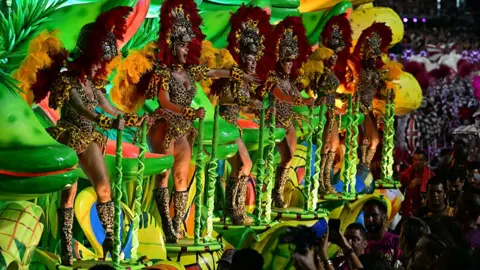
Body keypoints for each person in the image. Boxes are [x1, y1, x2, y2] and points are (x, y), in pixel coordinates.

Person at [113, 0, 260, 243]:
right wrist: (190, 112)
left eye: (186, 45)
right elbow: (165, 102)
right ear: (171, 47)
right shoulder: (162, 73)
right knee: (163, 177)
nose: (185, 50)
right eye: (181, 45)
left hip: (182, 130)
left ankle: (177, 225)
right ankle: (166, 226)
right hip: (164, 128)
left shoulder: (190, 72)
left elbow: (211, 73)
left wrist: (235, 73)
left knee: (181, 179)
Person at [21, 7, 144, 265]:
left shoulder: (93, 83)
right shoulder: (69, 79)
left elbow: (110, 107)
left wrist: (131, 118)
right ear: (90, 53)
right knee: (70, 193)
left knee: (104, 188)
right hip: (71, 137)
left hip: (89, 137)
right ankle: (66, 245)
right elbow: (80, 109)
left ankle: (110, 238)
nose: (103, 63)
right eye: (100, 57)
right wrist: (104, 120)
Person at [211, 5, 271, 225]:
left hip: (234, 124)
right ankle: (233, 210)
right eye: (250, 58)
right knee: (245, 164)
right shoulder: (232, 73)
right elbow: (224, 97)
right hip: (225, 123)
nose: (253, 62)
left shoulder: (246, 80)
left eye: (256, 59)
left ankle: (234, 209)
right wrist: (247, 99)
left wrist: (256, 104)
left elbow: (244, 105)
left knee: (242, 166)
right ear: (242, 57)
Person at [262, 16, 315, 208]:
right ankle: (266, 191)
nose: (290, 64)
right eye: (287, 61)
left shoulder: (290, 82)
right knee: (277, 158)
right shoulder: (273, 79)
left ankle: (277, 193)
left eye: (292, 61)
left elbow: (298, 96)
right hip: (274, 122)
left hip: (289, 123)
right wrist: (303, 100)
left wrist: (316, 100)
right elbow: (282, 97)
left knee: (288, 160)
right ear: (279, 60)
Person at [313, 14, 352, 194]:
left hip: (331, 110)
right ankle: (319, 182)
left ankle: (327, 181)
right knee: (326, 146)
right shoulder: (319, 68)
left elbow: (329, 91)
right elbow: (316, 88)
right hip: (323, 111)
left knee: (334, 146)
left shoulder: (332, 71)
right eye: (332, 53)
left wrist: (340, 98)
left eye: (337, 54)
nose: (335, 57)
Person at [350, 23, 393, 174]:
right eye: (371, 57)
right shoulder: (358, 70)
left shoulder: (376, 74)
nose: (374, 61)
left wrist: (387, 97)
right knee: (365, 140)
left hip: (369, 108)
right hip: (358, 106)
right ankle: (361, 165)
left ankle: (365, 166)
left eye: (376, 57)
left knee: (374, 141)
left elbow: (378, 92)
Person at [363, 199, 401, 267]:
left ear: (385, 218)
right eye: (366, 216)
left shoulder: (395, 241)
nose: (369, 220)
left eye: (374, 216)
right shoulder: (359, 241)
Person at [400, 150, 434, 217]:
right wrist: (409, 185)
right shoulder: (405, 175)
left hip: (426, 210)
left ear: (424, 161)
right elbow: (400, 194)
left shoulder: (431, 175)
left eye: (420, 160)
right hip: (409, 210)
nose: (417, 162)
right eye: (415, 159)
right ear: (413, 160)